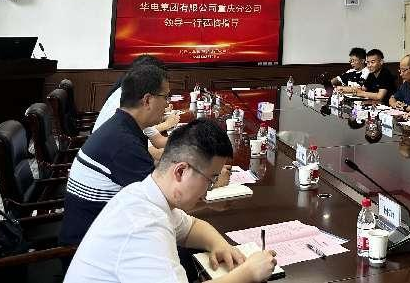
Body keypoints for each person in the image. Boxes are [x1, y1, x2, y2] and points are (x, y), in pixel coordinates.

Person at [64, 119, 278, 283]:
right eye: (211, 179)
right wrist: (248, 273)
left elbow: (191, 227)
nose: (210, 188)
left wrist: (219, 244)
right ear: (181, 171)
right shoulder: (143, 226)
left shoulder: (145, 194)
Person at [60, 61, 170, 245]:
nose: (167, 104)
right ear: (147, 100)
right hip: (90, 248)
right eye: (166, 97)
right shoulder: (123, 144)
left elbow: (152, 177)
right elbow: (163, 198)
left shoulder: (122, 125)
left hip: (101, 230)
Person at [92, 55, 180, 155]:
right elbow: (150, 153)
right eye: (165, 97)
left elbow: (155, 141)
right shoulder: (128, 105)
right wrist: (166, 125)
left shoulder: (132, 99)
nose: (167, 103)